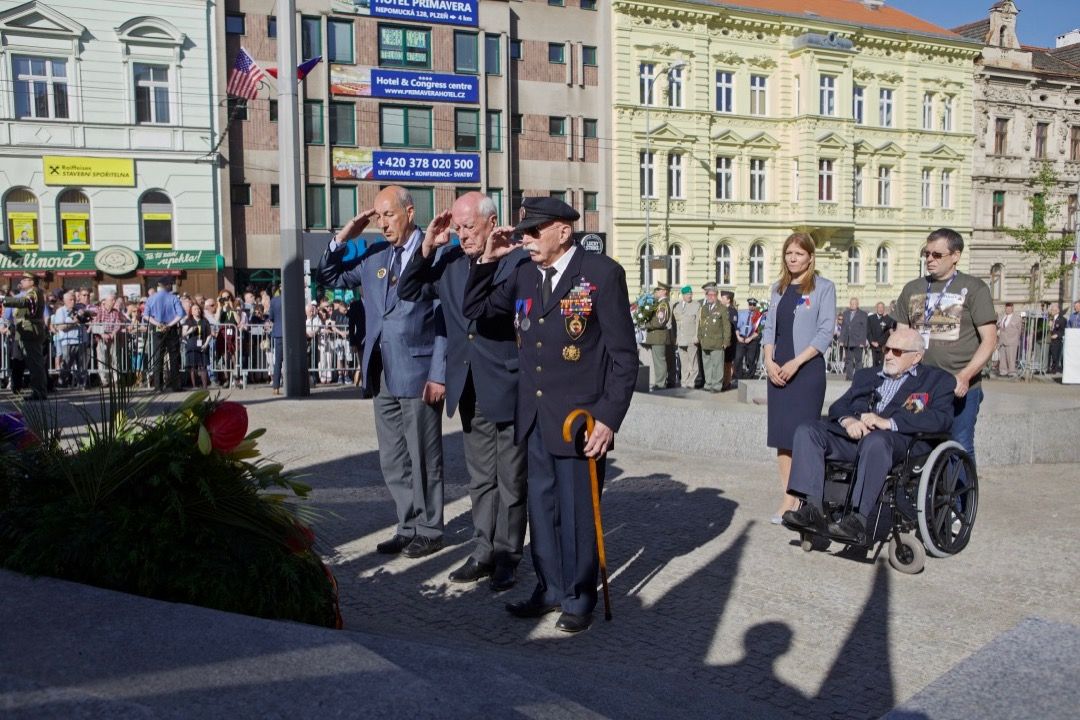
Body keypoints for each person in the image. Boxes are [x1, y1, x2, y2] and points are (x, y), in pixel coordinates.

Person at [463, 196, 637, 634]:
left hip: (579, 421)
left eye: (533, 231)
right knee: (542, 509)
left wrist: (609, 418)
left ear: (564, 231)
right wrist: (488, 258)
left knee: (578, 510)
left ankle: (579, 596)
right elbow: (478, 312)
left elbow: (623, 356)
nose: (526, 239)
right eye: (523, 231)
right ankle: (550, 587)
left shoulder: (601, 274)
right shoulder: (523, 274)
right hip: (536, 416)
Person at [398, 191, 530, 590]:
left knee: (511, 478)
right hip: (468, 385)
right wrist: (426, 246)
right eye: (457, 227)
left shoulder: (517, 260)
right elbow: (408, 290)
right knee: (479, 478)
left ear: (492, 222)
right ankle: (482, 549)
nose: (461, 235)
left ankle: (508, 554)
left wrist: (490, 260)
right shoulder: (450, 261)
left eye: (468, 227)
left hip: (506, 381)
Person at [318, 186, 448, 560]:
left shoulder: (434, 250)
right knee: (393, 456)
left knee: (424, 454)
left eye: (389, 215)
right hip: (381, 370)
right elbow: (329, 276)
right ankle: (407, 525)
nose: (383, 223)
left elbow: (443, 318)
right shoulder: (375, 255)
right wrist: (344, 236)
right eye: (378, 217)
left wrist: (438, 372)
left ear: (409, 211)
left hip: (420, 369)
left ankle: (430, 528)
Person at [781, 327, 957, 543]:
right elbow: (839, 406)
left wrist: (889, 423)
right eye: (887, 349)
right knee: (807, 430)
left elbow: (942, 419)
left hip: (896, 444)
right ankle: (812, 509)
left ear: (916, 357)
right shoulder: (867, 376)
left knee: (876, 441)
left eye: (897, 351)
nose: (889, 355)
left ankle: (858, 520)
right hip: (854, 440)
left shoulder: (937, 381)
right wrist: (849, 421)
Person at [894, 228, 996, 461]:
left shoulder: (974, 288)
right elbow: (901, 336)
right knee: (911, 441)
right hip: (919, 386)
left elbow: (989, 341)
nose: (929, 259)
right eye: (926, 253)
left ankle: (961, 497)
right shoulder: (913, 289)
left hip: (958, 386)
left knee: (958, 444)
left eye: (937, 255)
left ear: (956, 256)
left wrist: (965, 375)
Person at [762, 232, 836, 524]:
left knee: (801, 436)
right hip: (777, 370)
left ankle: (801, 496)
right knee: (782, 438)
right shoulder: (777, 288)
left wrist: (796, 362)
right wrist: (769, 360)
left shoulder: (823, 287)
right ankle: (787, 497)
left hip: (805, 371)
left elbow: (825, 332)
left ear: (810, 256)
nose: (793, 259)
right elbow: (769, 329)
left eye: (798, 254)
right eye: (788, 254)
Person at [1, 272, 48, 400]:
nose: (22, 281)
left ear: (32, 281)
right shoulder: (32, 292)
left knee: (35, 364)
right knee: (33, 363)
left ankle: (39, 392)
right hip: (27, 332)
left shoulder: (34, 293)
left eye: (25, 279)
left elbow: (24, 302)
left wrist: (4, 300)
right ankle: (38, 391)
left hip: (31, 332)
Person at [143, 278, 184, 392]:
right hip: (171, 329)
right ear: (166, 285)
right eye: (170, 284)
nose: (171, 286)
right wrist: (170, 324)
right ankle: (176, 386)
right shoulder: (173, 298)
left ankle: (158, 386)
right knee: (174, 357)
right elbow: (181, 314)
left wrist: (158, 324)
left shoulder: (151, 298)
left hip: (158, 329)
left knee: (158, 358)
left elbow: (146, 316)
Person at [698, 284, 730, 392]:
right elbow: (701, 324)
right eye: (709, 295)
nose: (711, 297)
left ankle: (716, 385)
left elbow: (726, 326)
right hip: (705, 341)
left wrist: (726, 341)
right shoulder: (704, 308)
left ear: (717, 296)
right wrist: (700, 337)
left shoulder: (722, 308)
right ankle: (708, 383)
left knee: (717, 365)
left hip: (717, 342)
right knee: (707, 364)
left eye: (713, 295)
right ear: (706, 296)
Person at [643, 282, 673, 390]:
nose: (655, 292)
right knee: (658, 361)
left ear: (664, 291)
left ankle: (661, 383)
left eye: (658, 290)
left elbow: (660, 322)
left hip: (659, 336)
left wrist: (645, 324)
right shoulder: (658, 303)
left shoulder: (663, 304)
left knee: (660, 361)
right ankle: (660, 382)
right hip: (656, 336)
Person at [672, 284, 701, 388]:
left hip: (691, 338)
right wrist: (675, 337)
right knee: (684, 363)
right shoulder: (677, 306)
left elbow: (698, 322)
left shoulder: (696, 305)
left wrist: (697, 336)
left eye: (690, 294)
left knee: (693, 362)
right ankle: (684, 381)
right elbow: (674, 323)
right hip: (680, 339)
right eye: (687, 294)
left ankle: (691, 381)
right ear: (682, 295)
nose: (689, 296)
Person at [94, 293, 127, 386]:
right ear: (106, 301)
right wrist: (102, 334)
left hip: (113, 338)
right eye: (112, 300)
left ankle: (116, 380)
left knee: (115, 359)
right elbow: (95, 325)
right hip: (102, 339)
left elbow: (118, 324)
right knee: (102, 359)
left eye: (114, 300)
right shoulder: (99, 311)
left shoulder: (115, 312)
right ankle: (104, 380)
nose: (113, 302)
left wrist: (113, 333)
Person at [181, 302, 211, 389]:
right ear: (192, 312)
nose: (197, 310)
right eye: (195, 309)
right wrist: (190, 331)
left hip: (203, 345)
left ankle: (205, 386)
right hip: (192, 345)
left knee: (203, 366)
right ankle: (195, 386)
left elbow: (209, 334)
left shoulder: (204, 321)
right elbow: (184, 333)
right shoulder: (188, 321)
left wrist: (206, 344)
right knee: (193, 366)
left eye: (198, 309)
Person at [839, 298, 869, 380]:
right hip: (848, 341)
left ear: (857, 304)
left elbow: (864, 329)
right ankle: (849, 376)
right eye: (851, 303)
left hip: (858, 341)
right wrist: (841, 340)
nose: (853, 305)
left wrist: (863, 342)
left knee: (858, 360)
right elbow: (843, 328)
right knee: (849, 360)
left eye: (854, 303)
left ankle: (858, 377)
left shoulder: (863, 314)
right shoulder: (845, 313)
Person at [734, 297, 763, 379]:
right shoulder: (742, 314)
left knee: (751, 359)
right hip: (742, 338)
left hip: (752, 339)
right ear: (748, 305)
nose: (752, 306)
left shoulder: (758, 316)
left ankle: (750, 376)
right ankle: (738, 377)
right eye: (750, 304)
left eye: (754, 304)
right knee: (738, 358)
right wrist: (738, 336)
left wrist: (750, 338)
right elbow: (737, 327)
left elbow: (759, 330)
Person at [265, 288, 284, 395]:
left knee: (278, 361)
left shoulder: (274, 300)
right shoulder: (290, 299)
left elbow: (271, 317)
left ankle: (275, 387)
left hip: (278, 332)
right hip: (290, 333)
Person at [719, 290, 739, 391]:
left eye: (723, 298)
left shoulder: (732, 311)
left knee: (727, 363)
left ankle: (727, 382)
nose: (721, 299)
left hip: (730, 341)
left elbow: (732, 327)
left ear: (728, 300)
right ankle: (722, 380)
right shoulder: (720, 309)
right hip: (721, 341)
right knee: (721, 362)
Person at [995, 302, 1021, 378]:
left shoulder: (1017, 318)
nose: (1007, 309)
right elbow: (998, 325)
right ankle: (1003, 371)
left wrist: (1014, 338)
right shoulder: (1002, 316)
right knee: (1002, 357)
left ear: (1012, 308)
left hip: (1012, 341)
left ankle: (1011, 372)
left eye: (1009, 307)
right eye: (1006, 307)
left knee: (1011, 358)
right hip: (1002, 340)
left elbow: (1019, 330)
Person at [867, 301, 895, 368]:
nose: (880, 309)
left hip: (882, 345)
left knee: (882, 364)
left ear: (884, 309)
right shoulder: (870, 318)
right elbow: (868, 331)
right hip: (873, 345)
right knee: (874, 363)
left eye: (882, 307)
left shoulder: (888, 318)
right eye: (879, 307)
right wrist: (871, 341)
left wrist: (879, 342)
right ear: (876, 308)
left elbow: (887, 333)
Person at [1048, 303, 1066, 374]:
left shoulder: (1062, 319)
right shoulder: (1050, 318)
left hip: (1057, 340)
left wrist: (1057, 335)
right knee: (1049, 354)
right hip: (1049, 339)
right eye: (1051, 309)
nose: (1051, 310)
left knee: (1055, 355)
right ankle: (1048, 368)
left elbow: (1063, 330)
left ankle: (1054, 369)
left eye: (1053, 309)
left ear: (1058, 310)